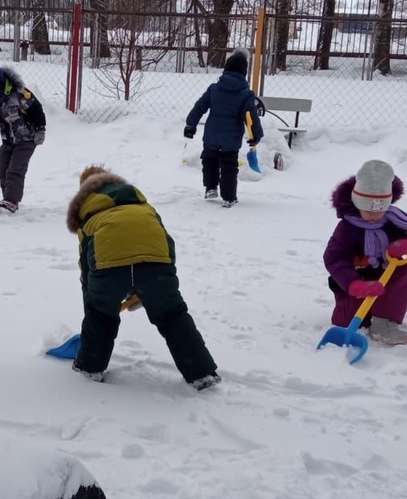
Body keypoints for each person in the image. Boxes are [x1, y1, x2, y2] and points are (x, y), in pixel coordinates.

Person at [66, 165, 220, 390]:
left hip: (107, 269)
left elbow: (86, 266)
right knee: (172, 316)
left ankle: (90, 368)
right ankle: (201, 373)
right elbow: (167, 244)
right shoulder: (143, 206)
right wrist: (157, 282)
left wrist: (92, 303)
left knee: (100, 317)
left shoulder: (89, 214)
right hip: (157, 267)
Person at [323, 159, 407, 346]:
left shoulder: (395, 219)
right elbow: (334, 257)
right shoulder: (347, 228)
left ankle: (385, 323)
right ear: (357, 203)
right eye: (367, 210)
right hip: (358, 286)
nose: (373, 216)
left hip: (386, 281)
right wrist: (353, 284)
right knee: (343, 321)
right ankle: (369, 309)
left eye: (380, 210)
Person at [183, 48, 263, 207]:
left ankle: (210, 188)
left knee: (209, 160)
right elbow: (251, 118)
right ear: (244, 73)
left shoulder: (214, 89)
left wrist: (190, 124)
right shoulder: (246, 94)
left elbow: (199, 107)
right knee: (229, 167)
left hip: (212, 135)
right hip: (231, 139)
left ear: (225, 69)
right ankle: (229, 197)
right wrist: (256, 136)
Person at [0, 53, 46, 213]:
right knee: (2, 171)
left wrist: (41, 129)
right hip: (8, 141)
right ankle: (7, 200)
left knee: (15, 170)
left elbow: (37, 109)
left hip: (27, 139)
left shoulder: (19, 95)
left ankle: (11, 201)